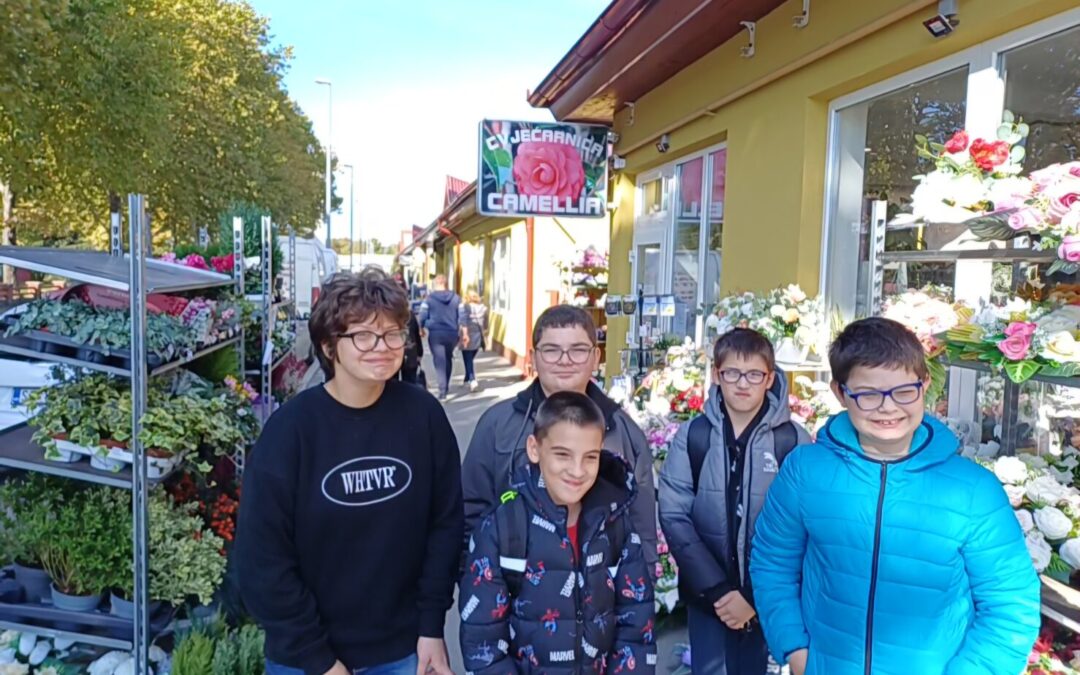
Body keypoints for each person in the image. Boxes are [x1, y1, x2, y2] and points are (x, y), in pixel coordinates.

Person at [750, 317, 1041, 675]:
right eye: (869, 394)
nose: (888, 408)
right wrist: (794, 648)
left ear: (925, 385)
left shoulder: (974, 491)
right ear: (840, 392)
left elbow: (1011, 606)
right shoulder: (805, 471)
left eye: (904, 391)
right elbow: (772, 563)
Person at [235, 269, 463, 675]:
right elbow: (261, 558)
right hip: (306, 658)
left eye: (393, 333)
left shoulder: (423, 416)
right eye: (362, 335)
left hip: (402, 650)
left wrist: (432, 626)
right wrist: (317, 659)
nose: (382, 347)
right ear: (328, 345)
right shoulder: (291, 432)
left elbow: (445, 524)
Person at [459, 392, 657, 674]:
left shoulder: (615, 524)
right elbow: (484, 642)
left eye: (590, 457)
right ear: (534, 449)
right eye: (562, 454)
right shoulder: (503, 527)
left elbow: (637, 625)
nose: (577, 471)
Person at [659, 329, 810, 675]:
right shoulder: (694, 436)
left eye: (754, 374)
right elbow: (673, 513)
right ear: (716, 375)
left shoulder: (792, 441)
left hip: (768, 597)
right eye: (732, 373)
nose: (743, 384)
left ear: (769, 378)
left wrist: (752, 597)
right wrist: (718, 591)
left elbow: (803, 525)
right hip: (707, 595)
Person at [463, 304, 658, 567]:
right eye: (551, 350)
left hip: (601, 597)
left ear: (596, 356)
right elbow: (469, 511)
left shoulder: (623, 432)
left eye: (578, 350)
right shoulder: (497, 426)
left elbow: (642, 527)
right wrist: (477, 581)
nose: (564, 360)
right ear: (533, 357)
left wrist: (639, 595)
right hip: (510, 593)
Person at [418, 275, 466, 400]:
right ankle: (446, 384)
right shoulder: (456, 298)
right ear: (446, 284)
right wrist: (465, 332)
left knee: (439, 360)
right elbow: (462, 316)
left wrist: (421, 327)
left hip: (436, 334)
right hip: (452, 333)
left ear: (436, 284)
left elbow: (422, 315)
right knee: (448, 358)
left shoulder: (429, 299)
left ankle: (442, 390)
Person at [393, 274, 424, 386]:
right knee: (409, 384)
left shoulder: (387, 316)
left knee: (392, 385)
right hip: (409, 353)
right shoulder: (409, 315)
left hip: (393, 354)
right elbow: (416, 335)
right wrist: (419, 353)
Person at [461, 289, 489, 392]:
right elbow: (486, 323)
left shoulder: (463, 308)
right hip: (478, 336)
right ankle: (466, 378)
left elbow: (461, 321)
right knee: (470, 358)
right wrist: (485, 332)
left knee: (467, 358)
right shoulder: (484, 308)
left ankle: (472, 380)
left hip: (465, 335)